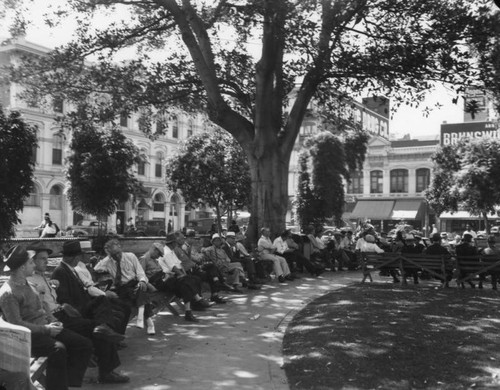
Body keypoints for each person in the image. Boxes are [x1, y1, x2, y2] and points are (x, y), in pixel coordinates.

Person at [28, 241, 129, 384]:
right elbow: (45, 306)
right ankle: (103, 371)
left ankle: (105, 365)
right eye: (42, 259)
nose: (46, 262)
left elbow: (53, 300)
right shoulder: (48, 275)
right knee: (98, 328)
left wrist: (62, 305)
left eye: (46, 258)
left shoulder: (44, 276)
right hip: (62, 316)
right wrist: (63, 308)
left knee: (102, 312)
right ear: (31, 261)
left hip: (65, 311)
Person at [0, 246, 93, 390]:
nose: (34, 265)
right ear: (22, 267)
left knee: (84, 344)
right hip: (27, 338)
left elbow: (43, 306)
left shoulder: (29, 284)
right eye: (31, 263)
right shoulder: (8, 293)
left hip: (45, 328)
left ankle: (69, 383)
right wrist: (46, 330)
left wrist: (52, 320)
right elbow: (16, 324)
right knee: (58, 350)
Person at [139, 240, 210, 323]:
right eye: (158, 254)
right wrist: (150, 286)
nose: (159, 257)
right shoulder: (144, 259)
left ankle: (188, 312)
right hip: (156, 283)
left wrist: (169, 274)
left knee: (185, 284)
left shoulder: (154, 259)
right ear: (154, 249)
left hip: (164, 279)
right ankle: (197, 300)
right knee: (185, 281)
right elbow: (140, 275)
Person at [94, 238, 155, 333]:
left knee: (141, 287)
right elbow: (96, 269)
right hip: (121, 288)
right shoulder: (107, 262)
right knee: (137, 294)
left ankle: (140, 317)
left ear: (120, 248)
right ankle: (148, 321)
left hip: (134, 284)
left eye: (118, 253)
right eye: (114, 255)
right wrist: (106, 259)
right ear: (109, 254)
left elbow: (140, 272)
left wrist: (142, 280)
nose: (117, 256)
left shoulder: (130, 256)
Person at [178, 230, 229, 303]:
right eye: (192, 238)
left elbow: (198, 256)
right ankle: (220, 283)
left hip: (195, 267)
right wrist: (201, 255)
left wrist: (200, 256)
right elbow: (196, 258)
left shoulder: (191, 247)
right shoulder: (185, 247)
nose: (194, 240)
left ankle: (215, 291)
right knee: (211, 269)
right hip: (191, 269)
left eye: (194, 238)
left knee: (212, 271)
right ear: (187, 238)